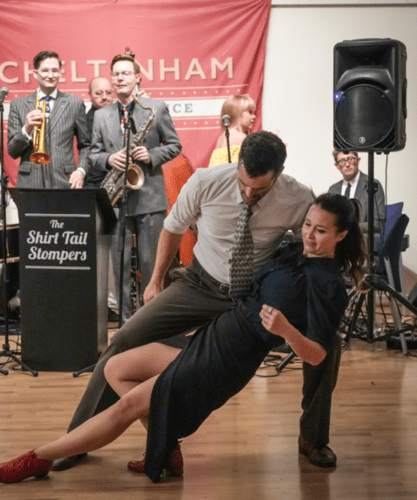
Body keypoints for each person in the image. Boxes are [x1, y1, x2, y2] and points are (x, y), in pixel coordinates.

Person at [0, 193, 362, 484]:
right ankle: (165, 448)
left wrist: (285, 331)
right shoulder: (295, 252)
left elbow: (316, 356)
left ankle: (38, 459)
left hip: (224, 361)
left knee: (125, 407)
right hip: (211, 337)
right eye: (308, 224)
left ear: (341, 235)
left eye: (321, 230)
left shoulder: (328, 285)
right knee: (117, 367)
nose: (310, 235)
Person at [53, 131, 343, 471]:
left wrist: (314, 299)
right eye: (244, 184)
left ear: (278, 174)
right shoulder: (206, 180)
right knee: (125, 338)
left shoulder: (297, 197)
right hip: (199, 284)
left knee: (328, 343)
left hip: (251, 297)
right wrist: (155, 280)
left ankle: (313, 439)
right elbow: (173, 227)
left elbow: (309, 246)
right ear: (238, 164)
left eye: (260, 190)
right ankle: (77, 439)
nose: (249, 194)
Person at [87, 50, 181, 323]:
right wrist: (108, 158)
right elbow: (92, 155)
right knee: (120, 266)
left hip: (150, 197)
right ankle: (127, 324)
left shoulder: (156, 108)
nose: (120, 78)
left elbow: (175, 145)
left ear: (137, 77)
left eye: (126, 73)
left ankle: (153, 322)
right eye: (116, 74)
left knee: (152, 266)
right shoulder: (102, 116)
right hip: (117, 199)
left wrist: (151, 155)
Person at [7, 50, 89, 189]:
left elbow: (86, 145)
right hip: (30, 183)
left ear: (60, 73)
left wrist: (81, 171)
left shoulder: (75, 104)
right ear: (35, 74)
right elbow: (13, 152)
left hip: (64, 181)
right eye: (45, 71)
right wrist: (26, 129)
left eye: (55, 71)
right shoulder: (18, 105)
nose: (50, 76)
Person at [328, 150, 385, 236]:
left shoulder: (372, 185)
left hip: (361, 239)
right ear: (337, 166)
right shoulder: (333, 189)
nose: (347, 165)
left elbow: (378, 224)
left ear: (358, 160)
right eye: (342, 161)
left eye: (350, 159)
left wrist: (352, 228)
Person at [83, 77, 115, 189]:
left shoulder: (121, 114)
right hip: (97, 183)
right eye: (98, 93)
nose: (104, 97)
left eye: (109, 92)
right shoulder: (86, 121)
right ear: (89, 96)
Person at [208, 94, 256, 166]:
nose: (253, 116)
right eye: (250, 112)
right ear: (237, 113)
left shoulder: (223, 136)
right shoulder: (239, 137)